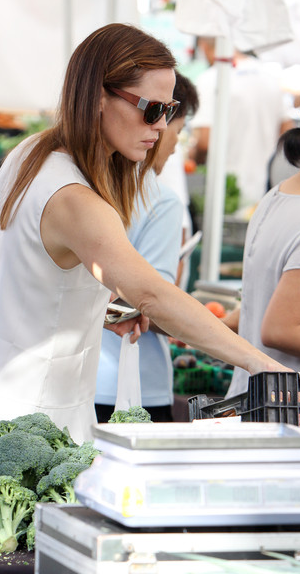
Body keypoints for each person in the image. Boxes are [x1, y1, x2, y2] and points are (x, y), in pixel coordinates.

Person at [0, 23, 289, 444]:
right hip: (27, 424)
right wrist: (265, 365)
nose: (161, 126)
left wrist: (92, 309)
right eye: (152, 109)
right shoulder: (77, 200)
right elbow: (154, 296)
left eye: (169, 111)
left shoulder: (28, 153)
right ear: (98, 97)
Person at [95, 71, 199, 423]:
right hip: (131, 385)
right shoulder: (159, 200)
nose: (168, 138)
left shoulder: (47, 173)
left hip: (76, 378)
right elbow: (153, 304)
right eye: (160, 114)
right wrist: (197, 326)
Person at [223, 84, 300, 398]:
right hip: (292, 408)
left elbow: (259, 304)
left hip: (257, 399)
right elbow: (280, 329)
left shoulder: (278, 195)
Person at [189, 36, 294, 208]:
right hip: (267, 187)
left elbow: (205, 142)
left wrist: (192, 157)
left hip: (226, 191)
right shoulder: (270, 77)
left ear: (203, 46)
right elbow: (287, 130)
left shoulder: (211, 78)